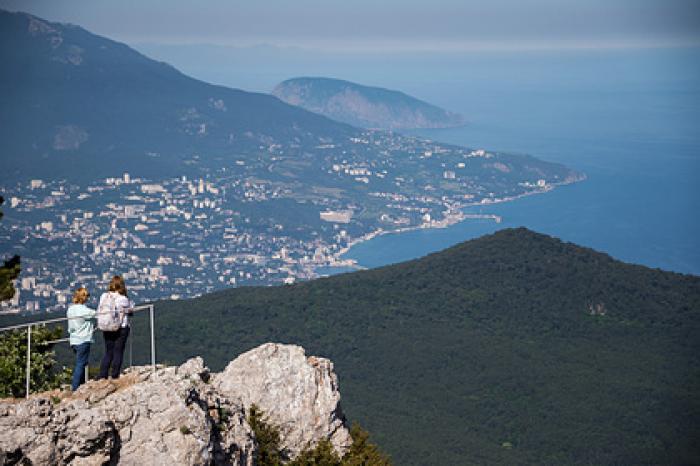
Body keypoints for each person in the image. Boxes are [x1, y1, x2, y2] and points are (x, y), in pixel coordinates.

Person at [98, 275, 134, 379]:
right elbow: (130, 310)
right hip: (121, 327)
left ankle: (103, 374)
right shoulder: (123, 299)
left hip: (107, 326)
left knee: (108, 351)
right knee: (118, 351)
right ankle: (114, 375)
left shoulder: (104, 296)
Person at [67, 287, 96, 391]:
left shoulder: (70, 309)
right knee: (81, 364)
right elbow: (96, 314)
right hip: (83, 339)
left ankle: (81, 385)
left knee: (82, 362)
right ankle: (75, 388)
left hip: (73, 340)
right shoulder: (83, 310)